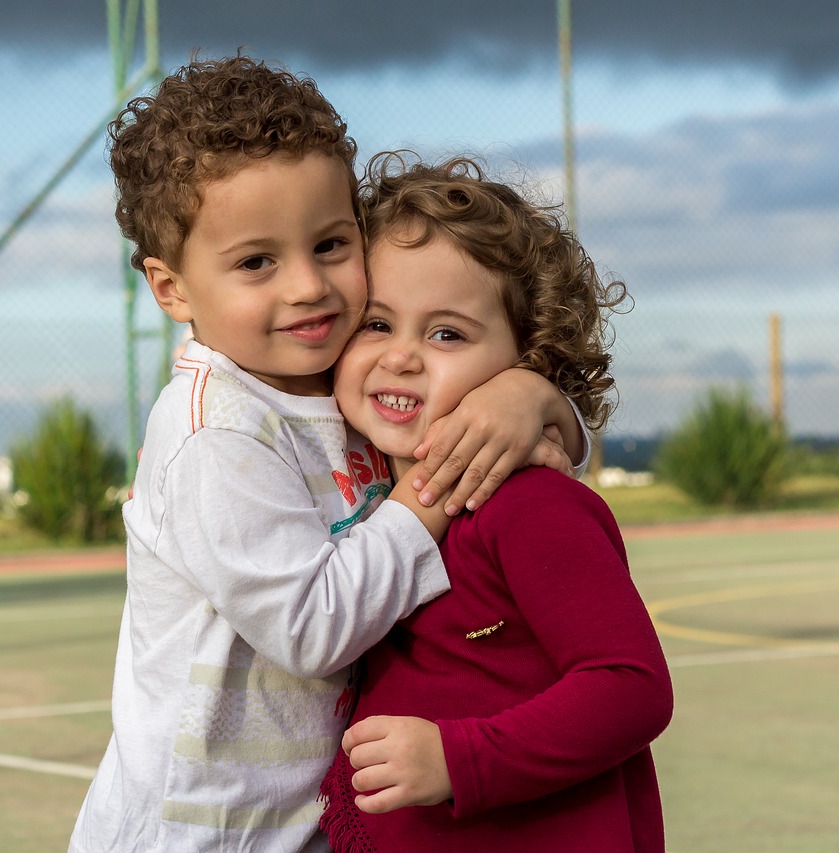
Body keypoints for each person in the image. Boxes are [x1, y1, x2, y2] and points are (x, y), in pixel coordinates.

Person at [69, 58, 589, 853]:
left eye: (331, 243)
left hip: (307, 825)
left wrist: (535, 401)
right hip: (200, 835)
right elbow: (313, 628)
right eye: (256, 262)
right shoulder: (217, 433)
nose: (309, 286)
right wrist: (427, 493)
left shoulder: (345, 379)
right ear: (171, 289)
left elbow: (535, 468)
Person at [319, 154, 673, 852]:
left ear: (526, 360)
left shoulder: (528, 505)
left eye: (447, 332)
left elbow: (632, 686)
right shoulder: (357, 484)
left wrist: (460, 759)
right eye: (377, 323)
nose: (402, 356)